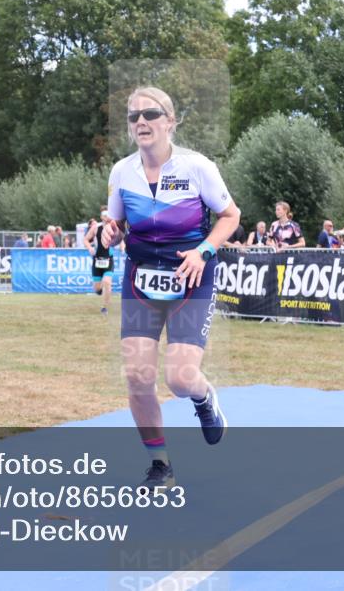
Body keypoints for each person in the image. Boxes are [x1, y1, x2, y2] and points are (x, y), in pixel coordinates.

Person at [102, 86, 240, 491]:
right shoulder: (121, 172)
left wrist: (203, 252)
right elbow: (116, 227)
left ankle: (203, 398)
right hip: (141, 279)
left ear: (170, 121)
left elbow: (230, 216)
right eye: (133, 116)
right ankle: (160, 465)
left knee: (179, 379)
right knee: (138, 377)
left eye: (151, 113)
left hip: (190, 279)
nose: (141, 121)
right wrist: (110, 234)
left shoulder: (197, 167)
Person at [83, 207, 115, 314]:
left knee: (107, 282)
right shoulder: (96, 228)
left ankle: (104, 307)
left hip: (108, 260)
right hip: (97, 261)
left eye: (108, 214)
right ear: (101, 216)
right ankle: (99, 290)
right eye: (104, 215)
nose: (106, 217)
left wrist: (123, 246)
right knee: (97, 288)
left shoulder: (114, 227)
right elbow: (86, 240)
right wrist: (90, 248)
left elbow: (121, 237)